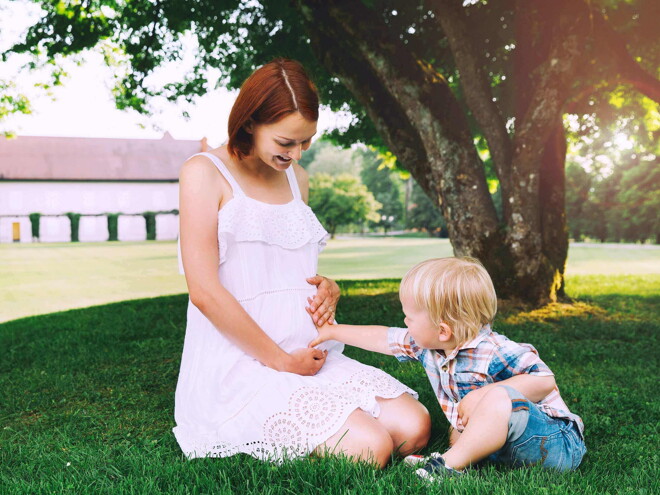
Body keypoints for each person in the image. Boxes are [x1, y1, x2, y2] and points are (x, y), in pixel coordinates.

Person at [173, 58, 430, 466]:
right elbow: (204, 291)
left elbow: (285, 266)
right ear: (250, 123)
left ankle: (336, 425)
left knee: (414, 426)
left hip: (307, 352)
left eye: (305, 141)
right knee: (372, 449)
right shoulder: (204, 173)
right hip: (242, 360)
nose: (296, 153)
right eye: (285, 142)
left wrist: (327, 286)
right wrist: (279, 360)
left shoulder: (298, 178)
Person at [309, 257, 586, 479]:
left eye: (409, 318)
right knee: (459, 430)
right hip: (508, 446)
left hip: (554, 444)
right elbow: (384, 337)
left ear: (442, 330)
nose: (405, 324)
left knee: (496, 399)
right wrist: (333, 331)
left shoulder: (494, 350)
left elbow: (545, 380)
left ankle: (445, 467)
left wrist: (485, 395)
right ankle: (460, 460)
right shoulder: (427, 344)